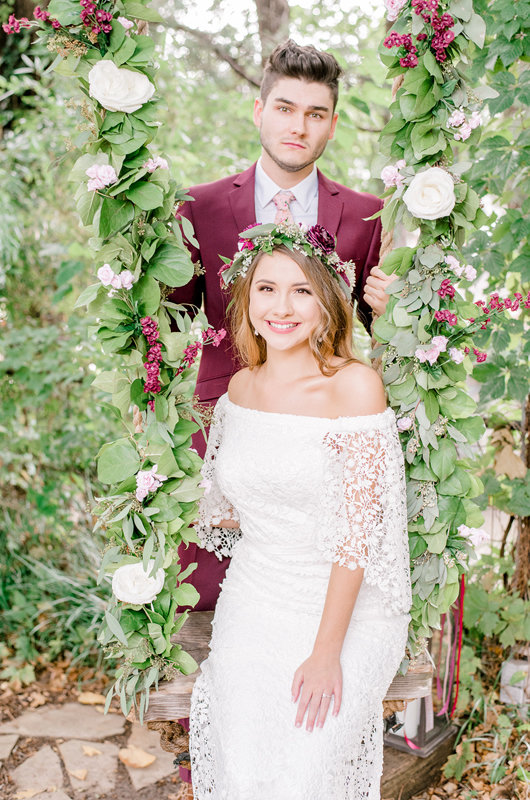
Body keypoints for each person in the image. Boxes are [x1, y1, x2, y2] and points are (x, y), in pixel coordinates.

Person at [172, 39, 396, 615]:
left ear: (331, 125)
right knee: (205, 602)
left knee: (315, 601)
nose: (299, 125)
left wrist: (393, 308)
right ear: (260, 111)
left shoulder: (369, 217)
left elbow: (385, 334)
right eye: (285, 108)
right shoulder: (199, 206)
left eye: (314, 114)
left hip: (321, 450)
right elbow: (165, 317)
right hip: (226, 432)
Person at [188, 221, 411, 799]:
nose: (281, 307)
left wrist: (325, 653)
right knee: (243, 770)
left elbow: (357, 538)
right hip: (255, 596)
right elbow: (230, 504)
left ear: (326, 302)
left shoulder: (355, 388)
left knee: (305, 773)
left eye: (301, 291)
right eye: (266, 289)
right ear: (246, 297)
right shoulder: (238, 390)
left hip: (346, 607)